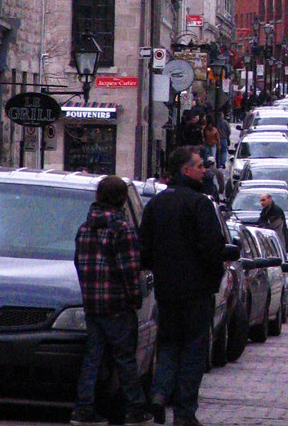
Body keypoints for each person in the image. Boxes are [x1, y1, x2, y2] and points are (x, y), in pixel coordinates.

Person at [139, 146, 227, 426]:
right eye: (200, 166)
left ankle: (160, 392)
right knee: (192, 350)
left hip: (166, 289)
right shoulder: (199, 204)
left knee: (168, 345)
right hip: (195, 291)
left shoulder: (156, 204)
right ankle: (185, 412)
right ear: (185, 170)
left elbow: (144, 249)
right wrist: (212, 280)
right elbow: (214, 248)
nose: (205, 171)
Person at [71, 176, 152, 426]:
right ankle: (134, 409)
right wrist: (135, 297)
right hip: (117, 304)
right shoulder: (122, 229)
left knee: (93, 358)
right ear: (121, 199)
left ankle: (84, 409)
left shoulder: (85, 228)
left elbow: (79, 263)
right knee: (125, 358)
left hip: (93, 303)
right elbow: (129, 269)